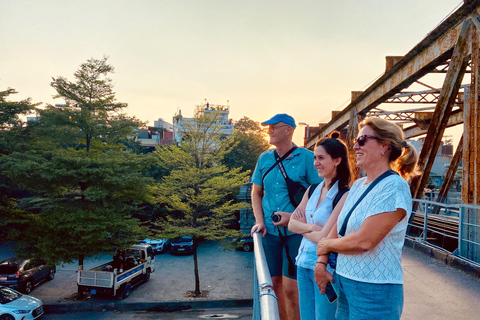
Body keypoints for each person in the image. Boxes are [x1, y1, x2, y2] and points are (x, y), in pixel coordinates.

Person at [314, 117, 420, 320]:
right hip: (344, 282)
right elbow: (340, 225)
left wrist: (326, 245)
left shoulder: (394, 187)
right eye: (355, 140)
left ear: (384, 145)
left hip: (373, 289)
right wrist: (321, 261)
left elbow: (364, 241)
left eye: (362, 140)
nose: (354, 146)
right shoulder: (359, 184)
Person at [251, 113, 322, 320]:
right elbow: (256, 192)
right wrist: (259, 222)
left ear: (289, 130)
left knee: (293, 288)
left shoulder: (308, 158)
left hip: (296, 232)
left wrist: (292, 217)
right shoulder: (264, 158)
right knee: (273, 285)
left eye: (274, 127)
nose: (269, 131)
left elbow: (319, 196)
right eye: (268, 127)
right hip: (270, 233)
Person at [288, 132, 352, 320]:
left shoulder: (344, 195)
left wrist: (305, 226)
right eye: (315, 157)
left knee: (324, 318)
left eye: (321, 158)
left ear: (337, 160)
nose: (316, 162)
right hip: (302, 263)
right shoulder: (313, 189)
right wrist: (312, 228)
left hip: (325, 268)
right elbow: (292, 224)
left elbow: (325, 239)